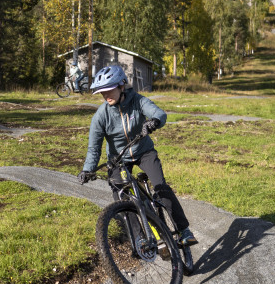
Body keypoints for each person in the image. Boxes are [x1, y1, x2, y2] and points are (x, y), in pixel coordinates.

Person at [77, 65, 198, 246]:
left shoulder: (138, 101)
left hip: (144, 152)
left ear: (121, 86)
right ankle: (140, 238)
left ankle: (184, 230)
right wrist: (87, 169)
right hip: (118, 159)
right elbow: (94, 148)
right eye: (102, 92)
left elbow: (158, 113)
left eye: (109, 90)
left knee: (161, 187)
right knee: (121, 195)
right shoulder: (100, 116)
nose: (106, 95)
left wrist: (154, 122)